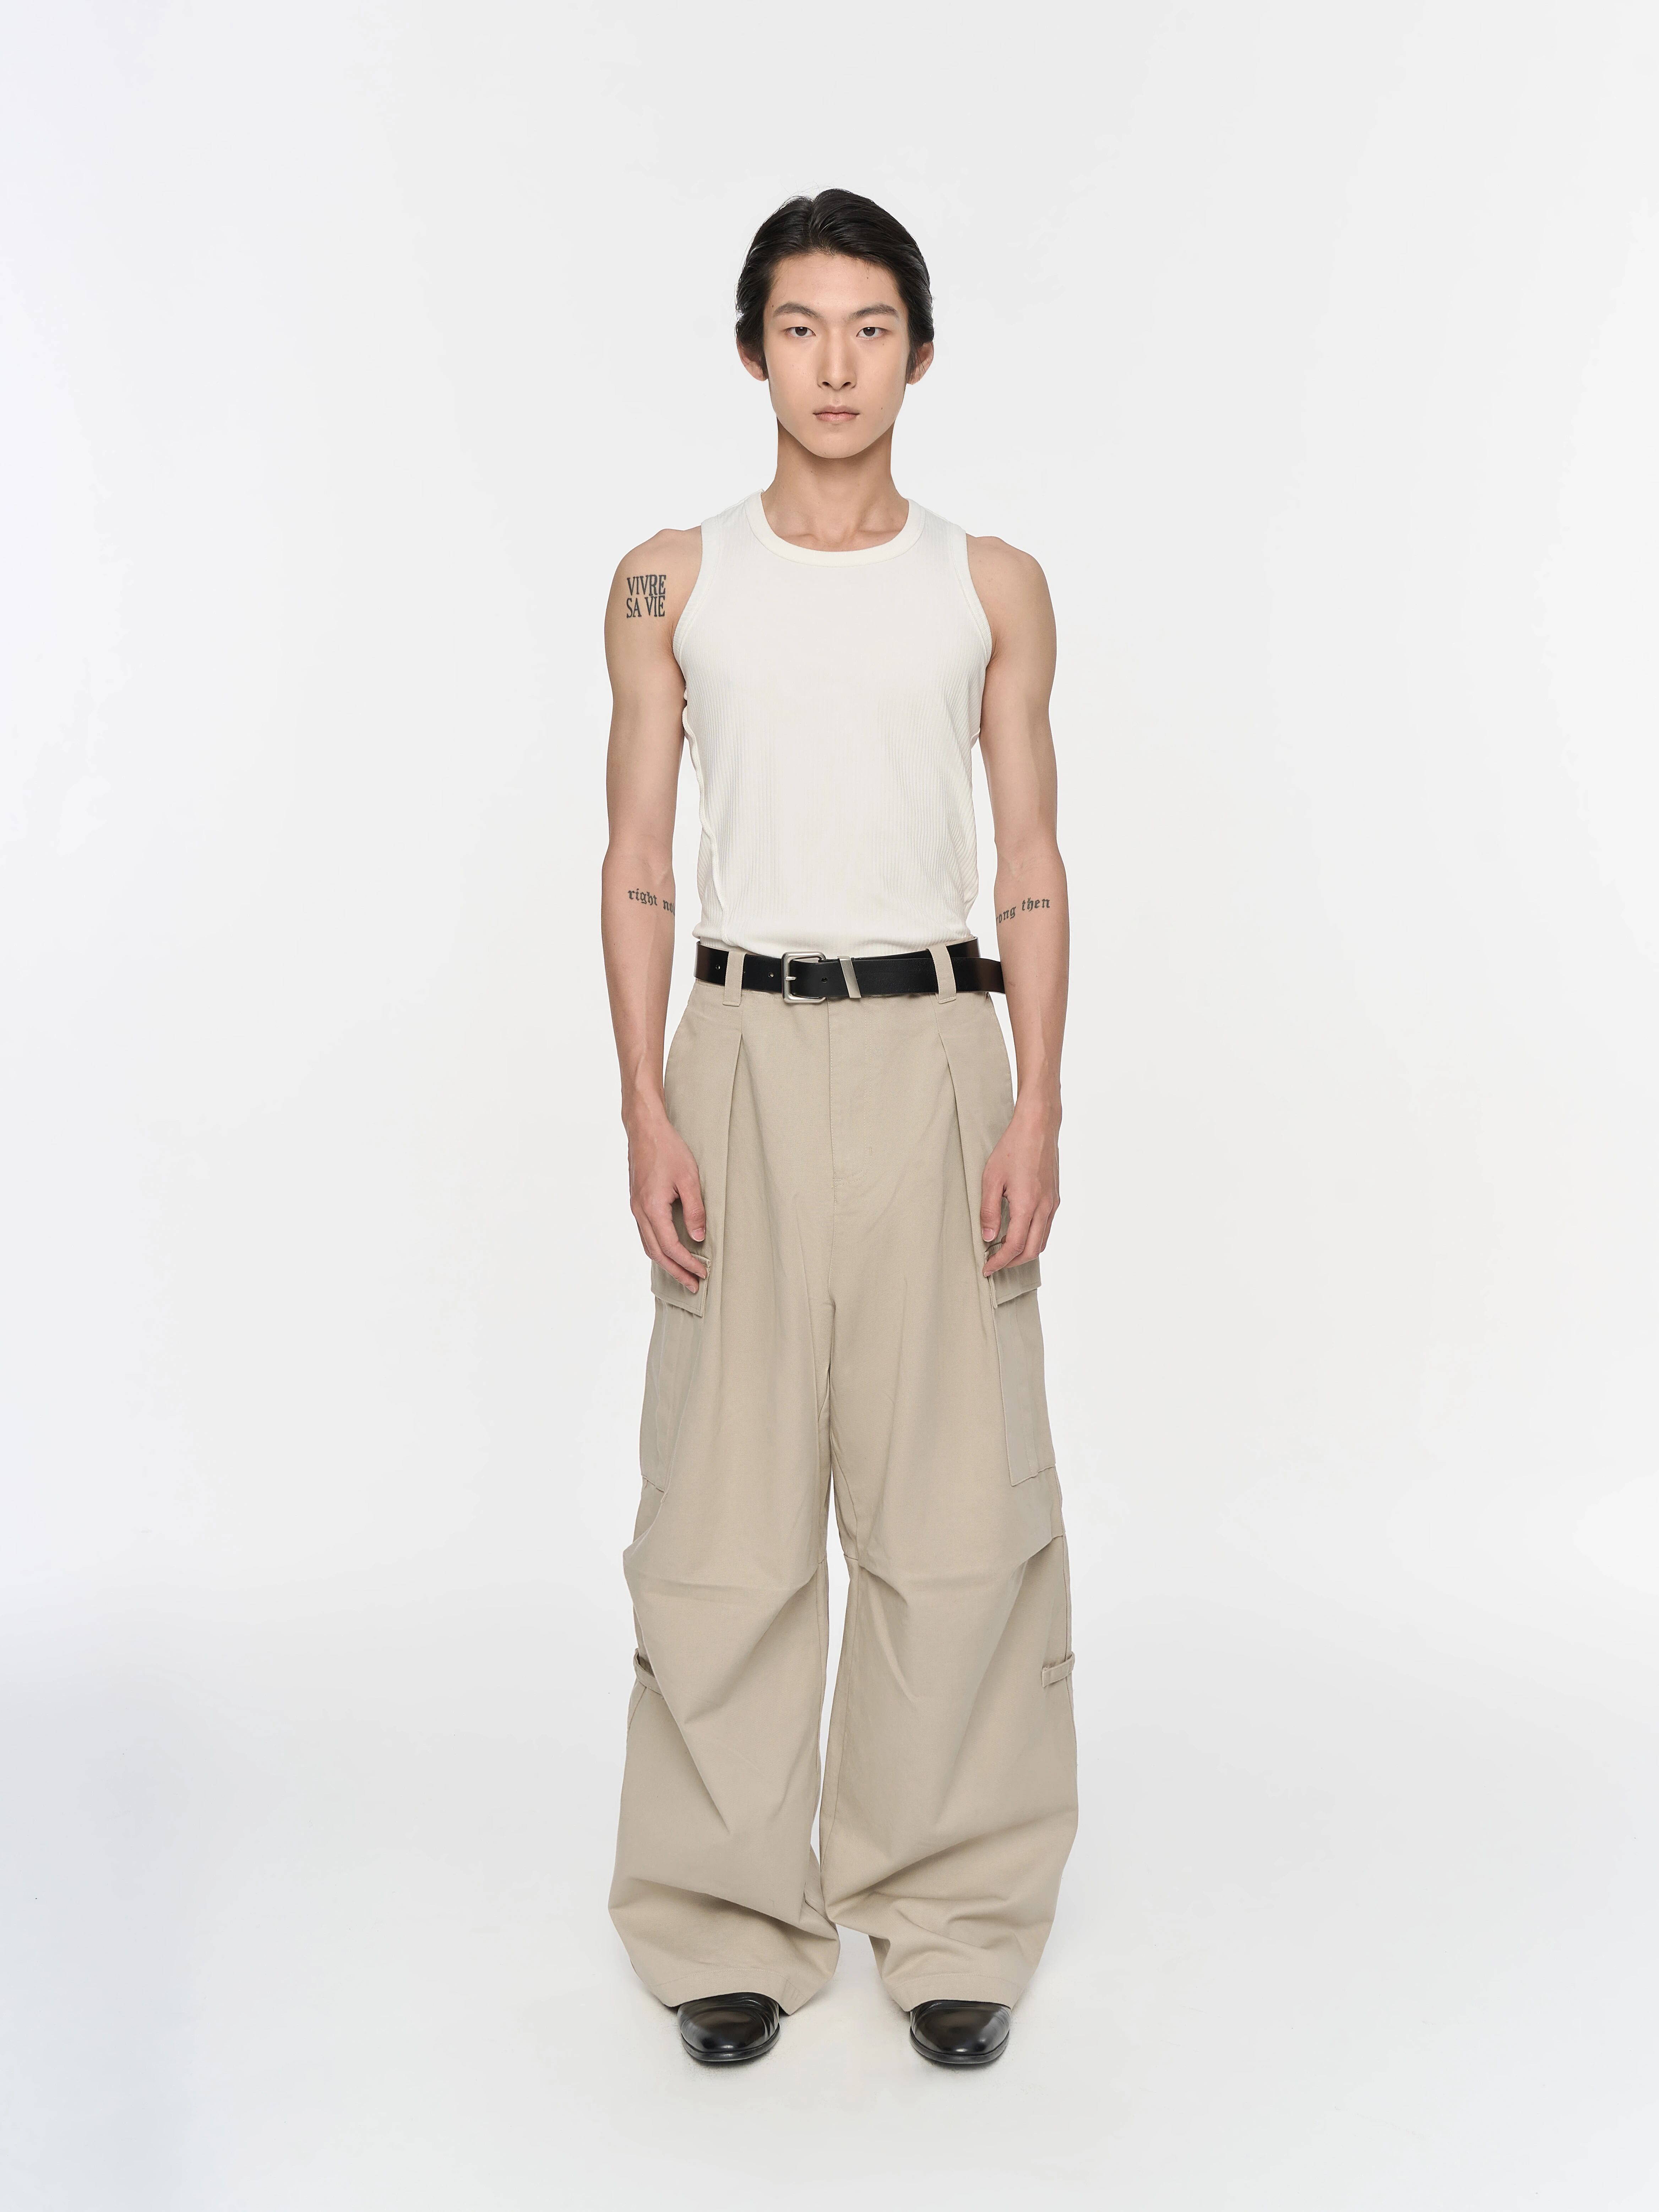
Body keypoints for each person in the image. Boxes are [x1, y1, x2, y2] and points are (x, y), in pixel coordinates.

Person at [599, 189, 1076, 2071]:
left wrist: (1039, 1098)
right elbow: (640, 860)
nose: (836, 365)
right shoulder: (670, 581)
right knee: (722, 1511)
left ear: (921, 353)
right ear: (752, 351)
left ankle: (952, 1912)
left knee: (957, 1503)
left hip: (939, 1037)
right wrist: (645, 1098)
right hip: (738, 1039)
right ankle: (723, 1916)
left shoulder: (990, 584)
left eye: (871, 328)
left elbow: (1029, 859)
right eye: (800, 327)